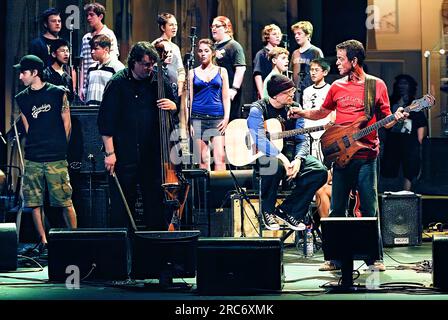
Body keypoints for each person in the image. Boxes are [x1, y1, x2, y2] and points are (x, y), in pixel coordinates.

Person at [289, 40, 409, 271]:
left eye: (341, 58)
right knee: (337, 208)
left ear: (354, 61)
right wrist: (302, 112)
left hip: (367, 154)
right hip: (341, 155)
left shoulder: (376, 86)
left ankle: (375, 258)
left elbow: (386, 120)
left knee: (369, 208)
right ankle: (335, 258)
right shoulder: (336, 86)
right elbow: (322, 112)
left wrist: (397, 117)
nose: (338, 62)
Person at [97, 41, 178, 230]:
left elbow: (174, 108)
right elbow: (105, 121)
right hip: (124, 154)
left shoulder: (159, 80)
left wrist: (173, 107)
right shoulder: (118, 83)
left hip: (152, 155)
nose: (150, 68)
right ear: (133, 62)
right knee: (123, 208)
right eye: (146, 64)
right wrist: (110, 153)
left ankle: (154, 248)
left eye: (152, 64)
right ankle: (123, 252)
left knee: (155, 206)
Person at [247, 74, 328, 231]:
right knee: (273, 165)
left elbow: (302, 138)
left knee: (319, 171)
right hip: (268, 156)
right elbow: (259, 139)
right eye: (289, 92)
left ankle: (289, 210)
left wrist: (298, 159)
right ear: (277, 95)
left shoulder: (294, 108)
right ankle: (267, 211)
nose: (292, 94)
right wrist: (283, 158)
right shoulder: (258, 109)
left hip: (291, 154)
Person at [14, 55, 77, 255]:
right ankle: (44, 242)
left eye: (23, 72)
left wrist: (59, 147)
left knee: (64, 201)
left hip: (56, 156)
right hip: (33, 156)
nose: (20, 76)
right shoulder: (22, 98)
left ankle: (75, 239)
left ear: (34, 73)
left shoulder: (57, 93)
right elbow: (27, 127)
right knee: (34, 202)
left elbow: (67, 123)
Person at [381, 74, 427, 191]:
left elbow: (421, 124)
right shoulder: (390, 102)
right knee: (390, 169)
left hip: (410, 143)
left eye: (405, 83)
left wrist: (420, 144)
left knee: (409, 170)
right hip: (393, 142)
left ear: (410, 86)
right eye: (400, 83)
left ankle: (406, 197)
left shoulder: (416, 104)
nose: (402, 86)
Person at [189, 39, 230, 171]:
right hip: (197, 117)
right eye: (200, 51)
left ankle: (219, 191)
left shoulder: (221, 71)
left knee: (220, 158)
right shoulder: (192, 73)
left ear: (212, 53)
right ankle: (203, 191)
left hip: (217, 117)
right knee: (203, 159)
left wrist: (226, 118)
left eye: (206, 51)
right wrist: (189, 122)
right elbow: (188, 99)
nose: (203, 54)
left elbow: (225, 97)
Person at [302, 58, 334, 219]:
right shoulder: (307, 91)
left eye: (316, 70)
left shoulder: (330, 89)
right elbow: (306, 113)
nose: (313, 73)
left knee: (325, 170)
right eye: (311, 70)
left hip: (325, 136)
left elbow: (332, 113)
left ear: (325, 72)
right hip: (309, 135)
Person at [79, 3, 119, 102]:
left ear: (100, 16)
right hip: (89, 81)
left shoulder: (109, 34)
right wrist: (81, 87)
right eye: (87, 15)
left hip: (103, 80)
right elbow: (83, 64)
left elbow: (113, 59)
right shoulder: (86, 37)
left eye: (91, 15)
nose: (88, 18)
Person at [211, 16, 246, 120]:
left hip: (229, 94)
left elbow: (240, 69)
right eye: (212, 26)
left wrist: (234, 89)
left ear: (226, 28)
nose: (213, 29)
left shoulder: (234, 46)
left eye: (217, 26)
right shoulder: (213, 47)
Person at [85, 34, 125, 105]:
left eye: (96, 49)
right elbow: (86, 92)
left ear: (106, 49)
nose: (92, 52)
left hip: (108, 111)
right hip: (90, 111)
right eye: (91, 49)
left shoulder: (117, 67)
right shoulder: (91, 68)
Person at [290, 21, 323, 104]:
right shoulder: (295, 53)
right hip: (296, 95)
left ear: (307, 34)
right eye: (295, 34)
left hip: (311, 94)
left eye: (299, 33)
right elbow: (291, 73)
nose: (296, 36)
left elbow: (322, 72)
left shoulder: (316, 52)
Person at [153, 13, 186, 97]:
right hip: (160, 88)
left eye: (176, 25)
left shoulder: (175, 47)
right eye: (171, 25)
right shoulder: (156, 44)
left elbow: (180, 69)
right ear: (163, 27)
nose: (174, 27)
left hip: (174, 90)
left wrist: (180, 88)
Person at [253, 24, 282, 99]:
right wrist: (262, 94)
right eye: (274, 34)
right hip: (267, 91)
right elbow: (258, 74)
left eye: (279, 34)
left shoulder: (281, 53)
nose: (278, 36)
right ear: (267, 37)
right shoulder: (261, 54)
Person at [43, 39, 75, 103]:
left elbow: (70, 99)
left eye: (67, 51)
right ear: (54, 54)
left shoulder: (68, 78)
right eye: (63, 51)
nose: (66, 54)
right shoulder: (45, 73)